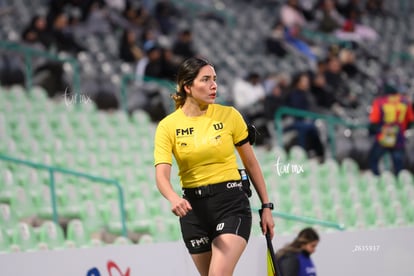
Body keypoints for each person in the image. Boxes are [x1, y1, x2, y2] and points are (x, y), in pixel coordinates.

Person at [154, 57, 275, 276]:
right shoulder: (167, 126)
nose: (214, 85)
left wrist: (266, 206)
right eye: (206, 79)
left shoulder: (230, 115)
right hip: (193, 212)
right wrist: (173, 198)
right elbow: (161, 175)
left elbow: (251, 164)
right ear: (187, 86)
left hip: (230, 204)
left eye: (215, 79)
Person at [368, 82, 414, 175]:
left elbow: (374, 122)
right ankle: (398, 183)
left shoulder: (380, 101)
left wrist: (372, 131)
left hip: (385, 135)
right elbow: (411, 121)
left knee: (373, 159)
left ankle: (378, 179)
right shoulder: (405, 101)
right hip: (399, 136)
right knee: (398, 164)